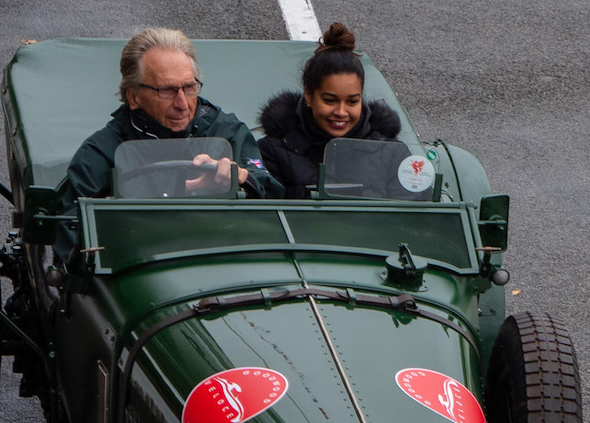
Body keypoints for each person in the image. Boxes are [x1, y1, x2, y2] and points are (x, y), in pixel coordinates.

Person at [55, 28, 281, 260]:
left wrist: (241, 179)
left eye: (189, 88)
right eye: (167, 91)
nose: (182, 103)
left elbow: (275, 198)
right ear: (133, 96)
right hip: (142, 270)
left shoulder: (228, 132)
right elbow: (72, 236)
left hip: (225, 263)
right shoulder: (102, 152)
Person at [257, 24, 403, 199]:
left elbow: (415, 219)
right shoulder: (272, 151)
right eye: (330, 100)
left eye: (352, 101)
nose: (341, 112)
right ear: (309, 96)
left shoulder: (392, 153)